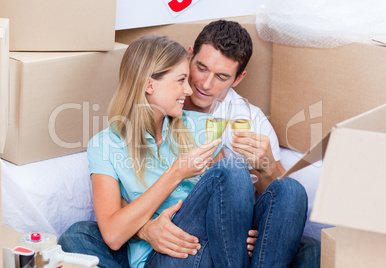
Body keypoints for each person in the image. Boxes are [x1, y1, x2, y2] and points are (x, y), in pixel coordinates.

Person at [59, 35, 307, 268]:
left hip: (216, 250)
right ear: (149, 85)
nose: (189, 91)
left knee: (290, 188)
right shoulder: (105, 144)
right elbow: (112, 235)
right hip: (163, 257)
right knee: (228, 173)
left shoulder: (201, 126)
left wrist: (248, 229)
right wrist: (176, 173)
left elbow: (231, 202)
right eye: (181, 80)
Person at [135, 20, 321, 267]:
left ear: (238, 78)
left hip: (234, 233)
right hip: (185, 229)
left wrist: (267, 169)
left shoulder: (250, 119)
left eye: (222, 76)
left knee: (295, 200)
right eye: (201, 68)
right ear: (189, 55)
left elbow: (283, 204)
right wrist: (144, 228)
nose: (205, 84)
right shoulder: (164, 100)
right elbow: (123, 184)